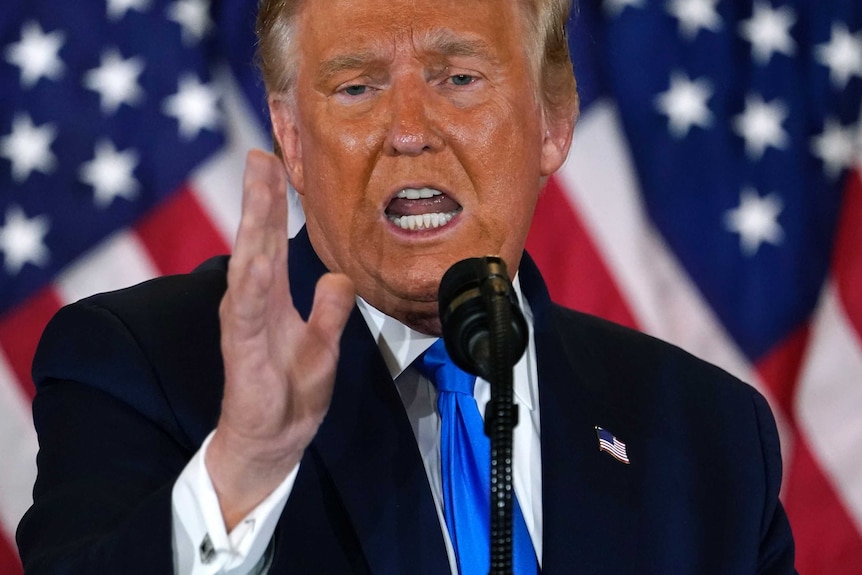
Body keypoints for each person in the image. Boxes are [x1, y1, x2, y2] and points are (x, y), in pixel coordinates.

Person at [16, 0, 798, 573]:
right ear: (290, 135)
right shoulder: (138, 364)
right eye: (356, 87)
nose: (410, 128)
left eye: (458, 77)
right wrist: (243, 471)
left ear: (554, 119)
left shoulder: (712, 436)